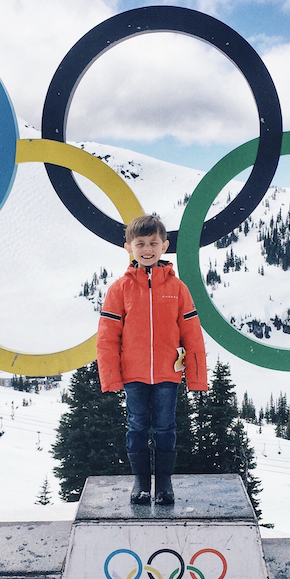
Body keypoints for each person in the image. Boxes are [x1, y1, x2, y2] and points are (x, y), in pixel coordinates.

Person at [97, 215, 207, 505]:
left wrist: (196, 378)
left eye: (154, 243)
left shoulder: (177, 288)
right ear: (128, 247)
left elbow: (192, 335)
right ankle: (142, 482)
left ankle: (165, 483)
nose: (147, 249)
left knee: (165, 428)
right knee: (136, 427)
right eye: (141, 244)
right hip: (133, 375)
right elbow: (107, 337)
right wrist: (110, 377)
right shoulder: (120, 289)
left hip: (167, 375)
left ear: (165, 246)